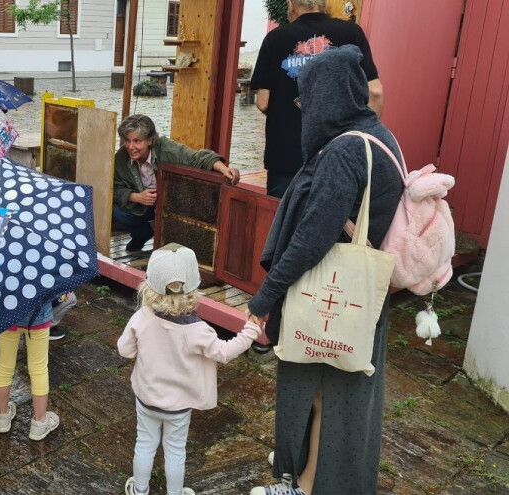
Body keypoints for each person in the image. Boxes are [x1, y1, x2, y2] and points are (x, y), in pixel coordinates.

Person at [247, 46, 403, 495]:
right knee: (336, 395)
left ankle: (306, 485)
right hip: (359, 291)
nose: (304, 110)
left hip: (332, 290)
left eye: (307, 99)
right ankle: (310, 474)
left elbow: (312, 239)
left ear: (328, 96)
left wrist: (265, 297)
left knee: (321, 393)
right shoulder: (378, 134)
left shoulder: (343, 152)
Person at [117, 245, 262, 495]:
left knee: (145, 443)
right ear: (194, 288)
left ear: (149, 286)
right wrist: (251, 330)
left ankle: (140, 490)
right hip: (179, 406)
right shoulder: (199, 331)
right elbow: (225, 352)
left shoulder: (142, 317)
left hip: (147, 398)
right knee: (175, 450)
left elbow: (125, 351)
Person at [251, 0, 382, 198]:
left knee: (282, 224)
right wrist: (366, 139)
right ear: (324, 3)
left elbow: (263, 102)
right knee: (335, 224)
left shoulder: (275, 38)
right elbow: (375, 92)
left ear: (291, 4)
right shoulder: (351, 34)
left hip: (286, 157)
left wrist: (288, 112)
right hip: (340, 156)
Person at [113, 115, 240, 252]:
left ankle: (165, 240)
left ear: (150, 140)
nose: (131, 147)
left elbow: (197, 158)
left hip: (170, 207)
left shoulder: (166, 148)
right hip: (140, 208)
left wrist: (224, 169)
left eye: (137, 141)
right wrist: (136, 197)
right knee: (118, 212)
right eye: (127, 140)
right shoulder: (120, 157)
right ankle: (143, 234)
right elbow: (114, 188)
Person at [0, 303, 60, 441]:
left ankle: (2, 416)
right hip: (38, 316)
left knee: (3, 367)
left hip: (7, 313)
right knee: (39, 369)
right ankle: (40, 422)